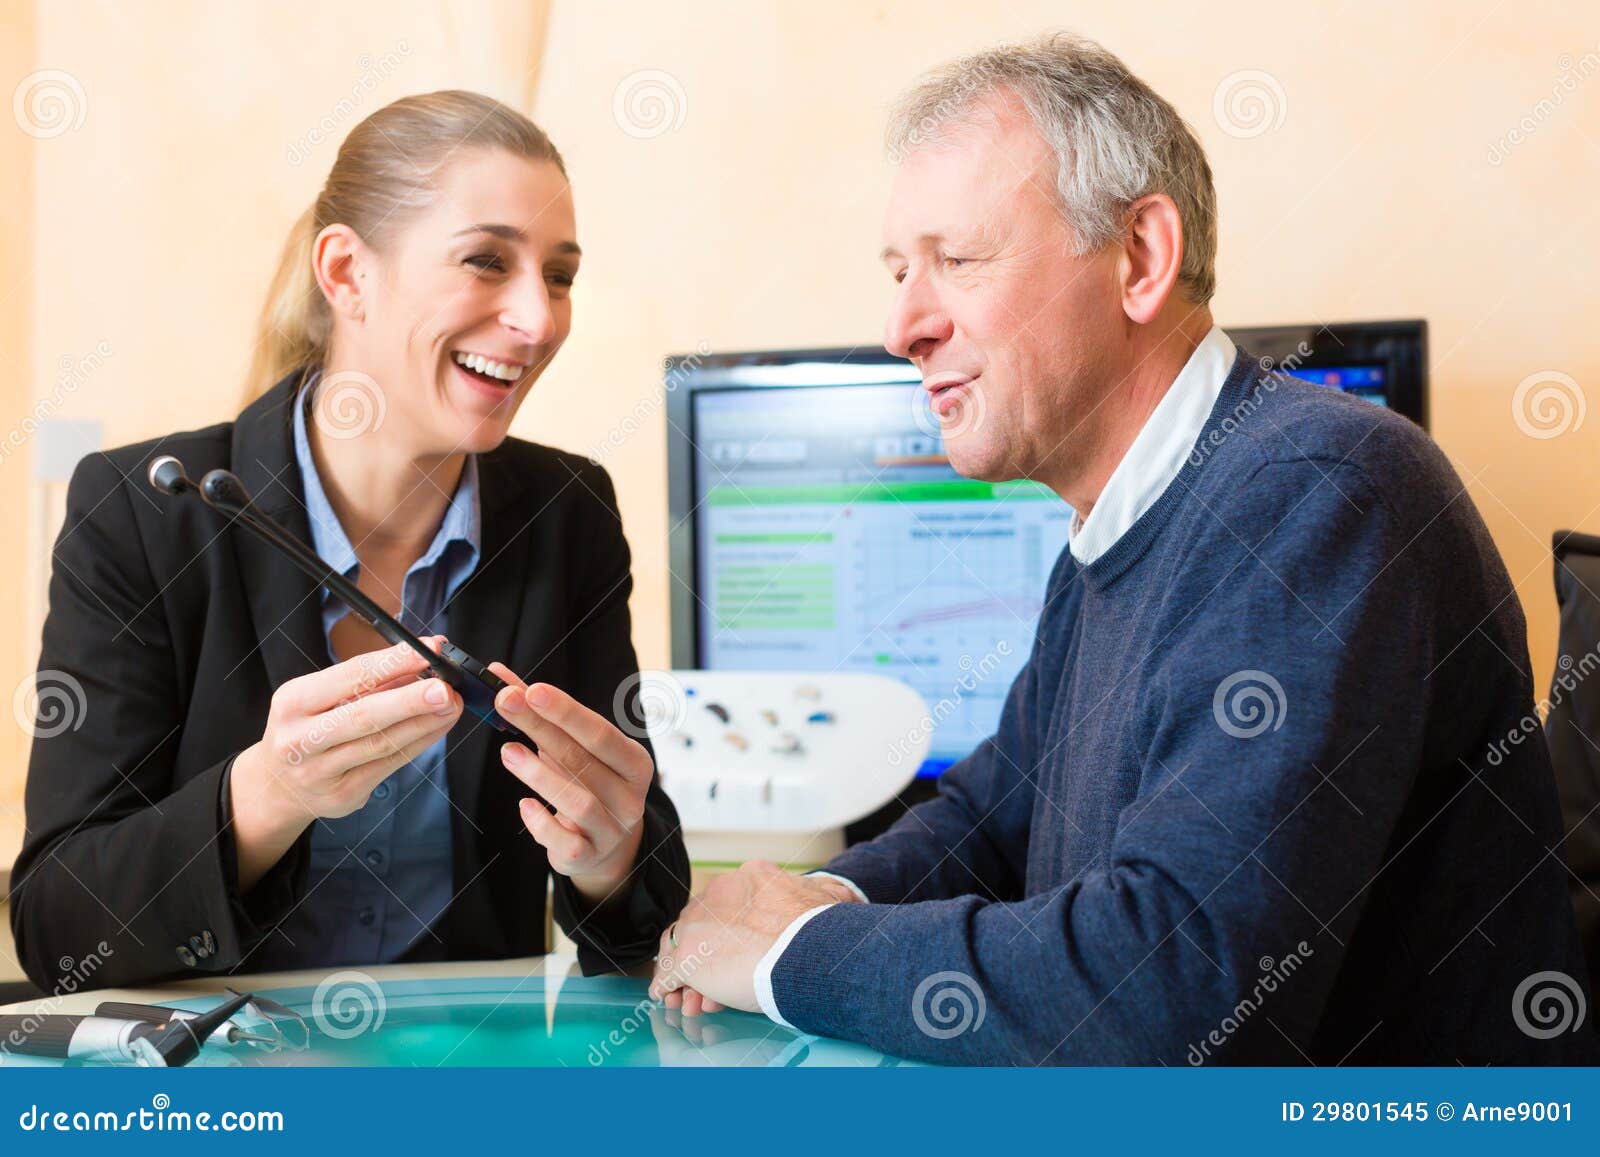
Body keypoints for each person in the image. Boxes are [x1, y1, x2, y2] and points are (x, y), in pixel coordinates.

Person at [650, 34, 1596, 1066]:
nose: (902, 325)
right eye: (898, 272)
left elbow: (1177, 983)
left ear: (1140, 258)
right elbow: (991, 818)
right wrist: (811, 894)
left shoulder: (1318, 490)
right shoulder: (1116, 525)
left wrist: (796, 950)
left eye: (956, 259)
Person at [10, 91, 688, 991]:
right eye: (486, 260)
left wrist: (611, 858)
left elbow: (643, 911)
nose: (539, 318)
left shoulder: (567, 510)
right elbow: (57, 929)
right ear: (346, 272)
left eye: (559, 276)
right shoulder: (144, 511)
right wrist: (269, 794)